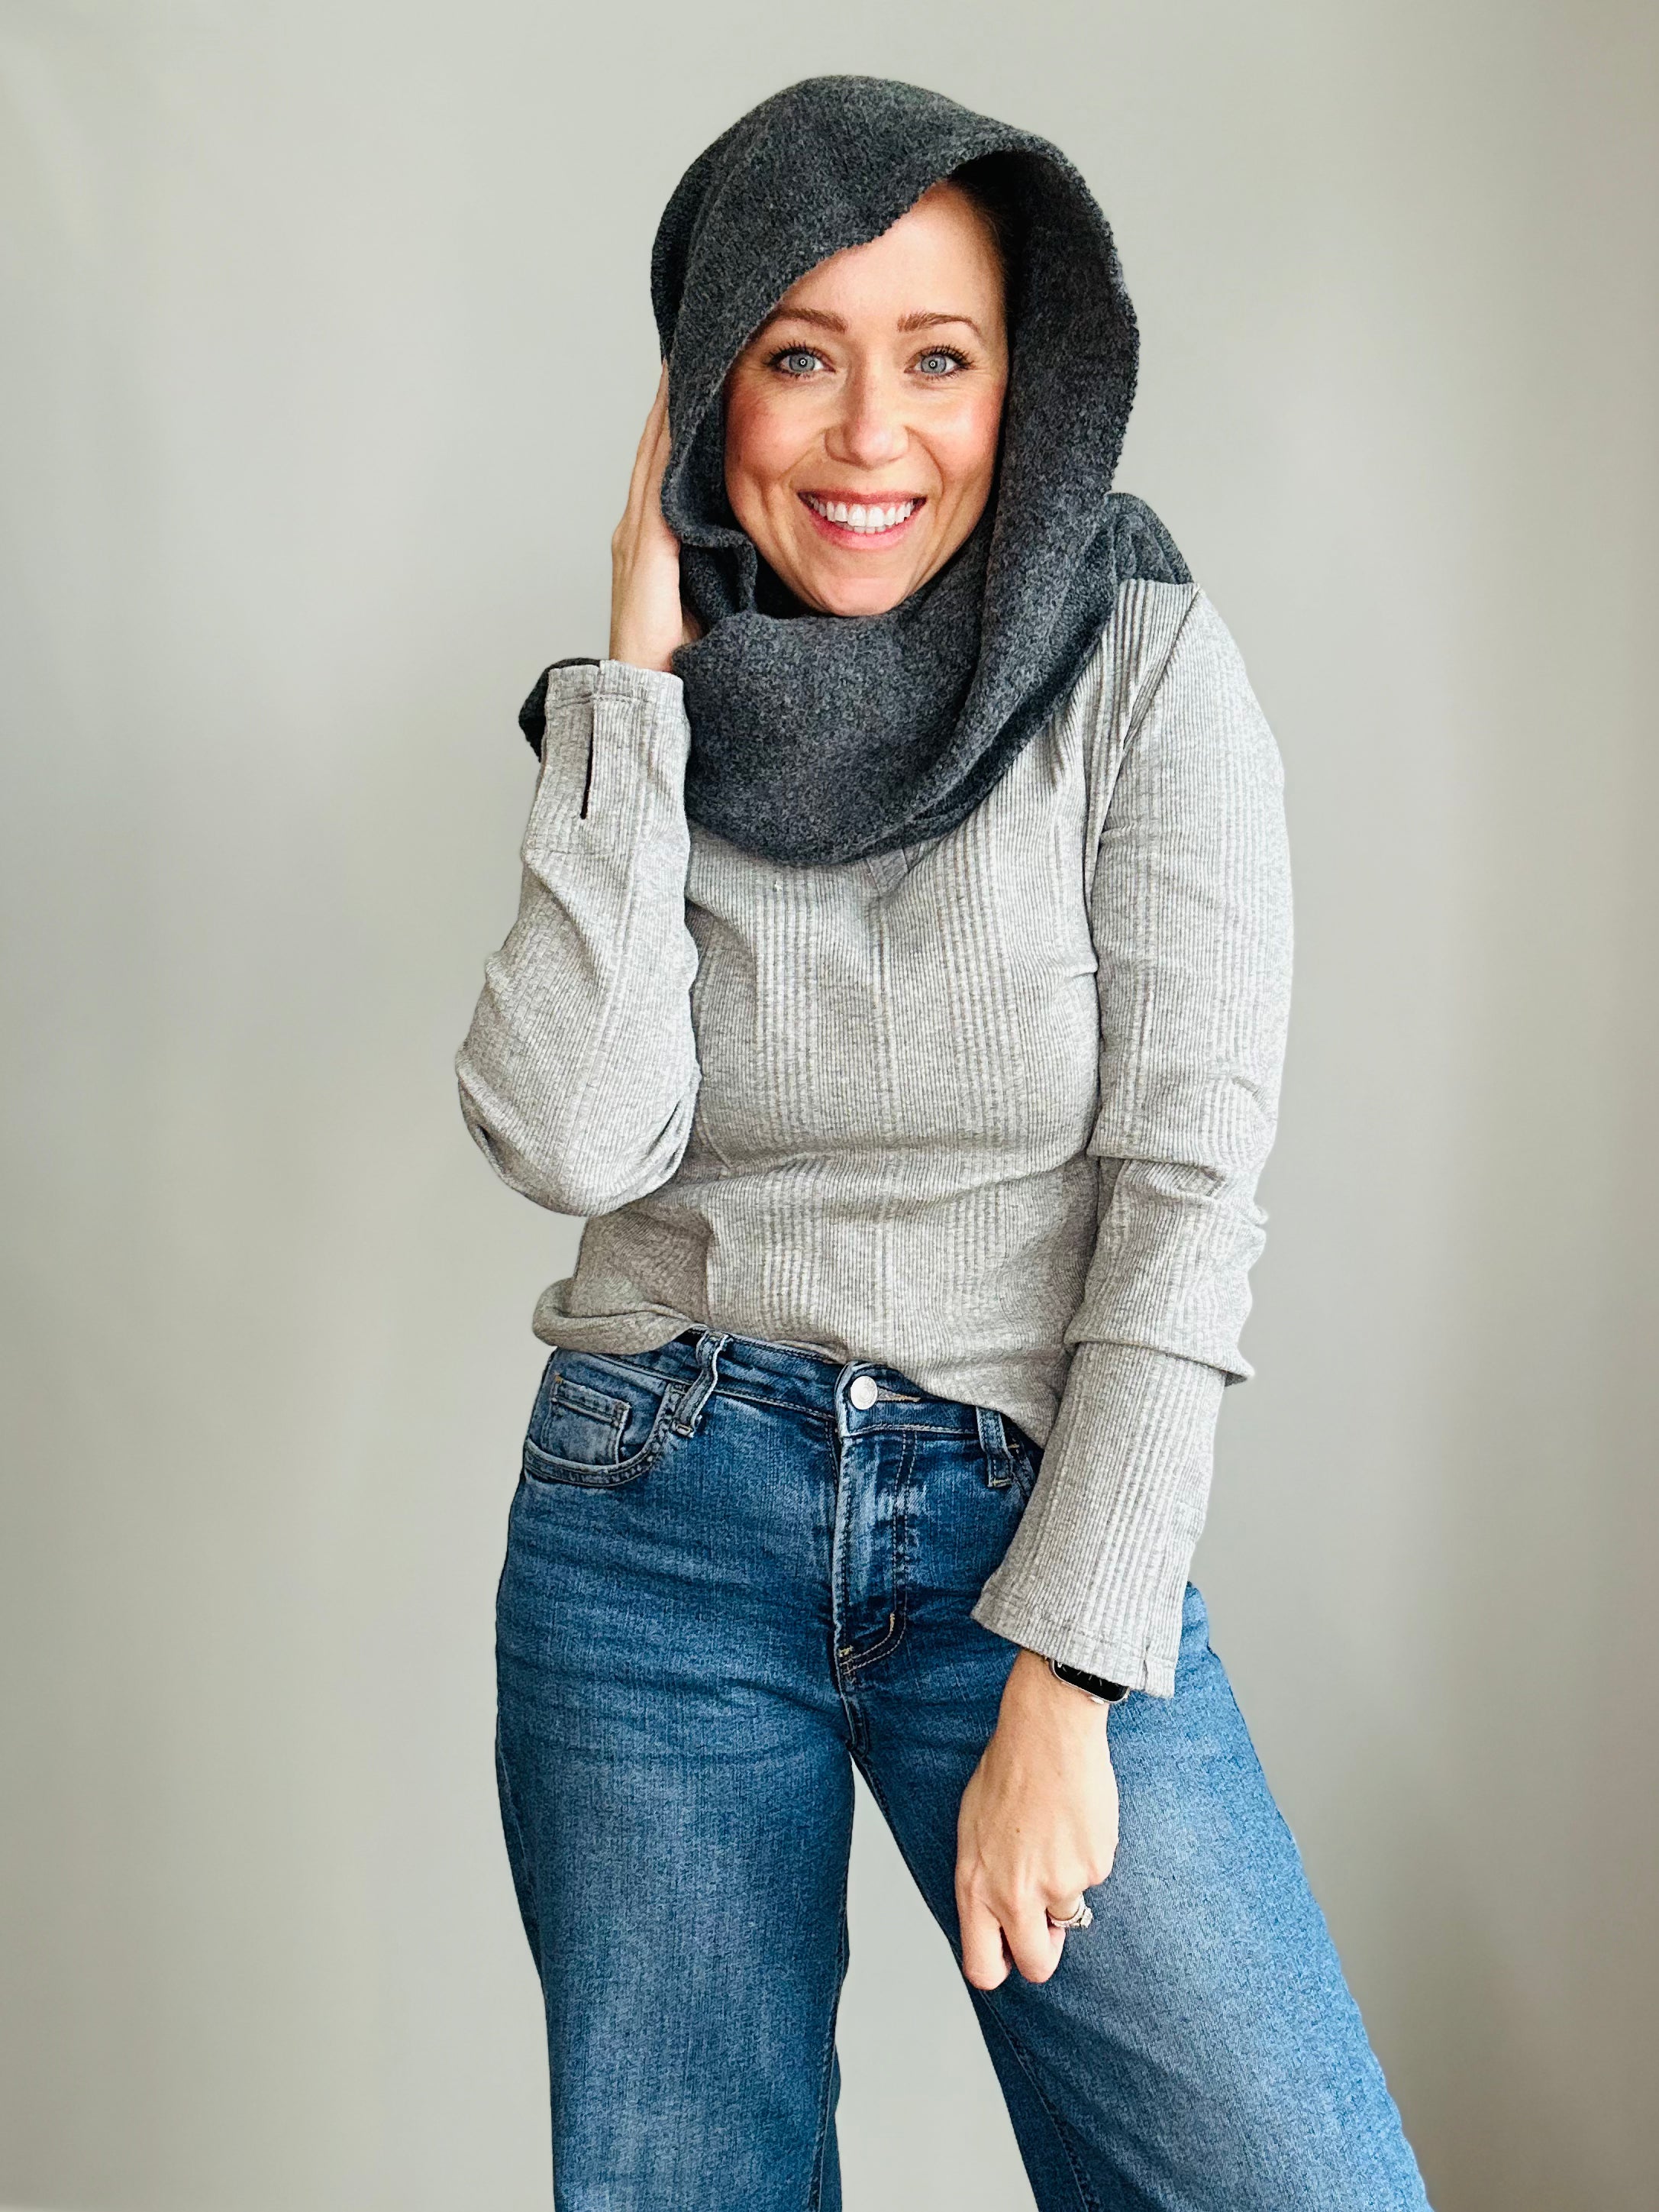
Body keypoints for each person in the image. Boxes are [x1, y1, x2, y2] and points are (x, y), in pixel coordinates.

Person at [456, 73, 1431, 2212]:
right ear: (706, 390)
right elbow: (573, 1135)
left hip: (1023, 1527)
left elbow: (1183, 1207)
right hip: (652, 1516)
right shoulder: (662, 719)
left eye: (940, 360)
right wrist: (632, 675)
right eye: (800, 358)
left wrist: (1068, 1684)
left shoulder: (1141, 666)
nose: (870, 436)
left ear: (1028, 381)